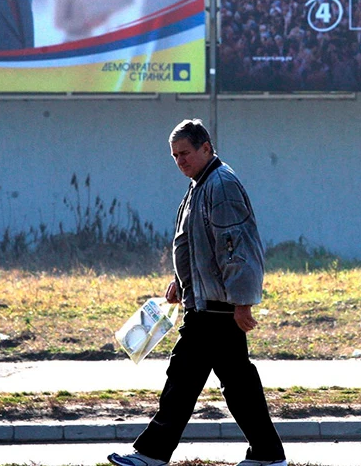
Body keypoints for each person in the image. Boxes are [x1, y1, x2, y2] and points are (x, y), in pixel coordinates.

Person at [108, 119, 286, 466]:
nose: (180, 161)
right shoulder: (201, 184)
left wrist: (242, 302)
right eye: (175, 156)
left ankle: (151, 453)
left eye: (185, 153)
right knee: (234, 383)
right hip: (208, 301)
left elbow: (235, 247)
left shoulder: (220, 185)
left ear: (207, 147)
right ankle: (267, 454)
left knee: (185, 378)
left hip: (217, 307)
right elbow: (198, 244)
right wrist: (181, 281)